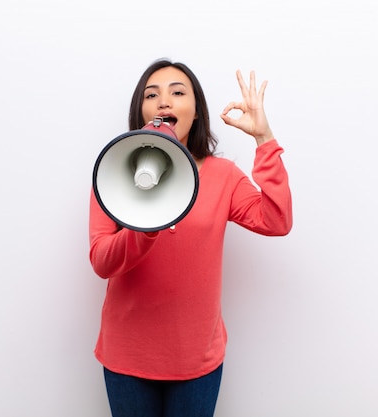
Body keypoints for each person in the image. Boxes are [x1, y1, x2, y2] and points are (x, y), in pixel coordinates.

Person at [88, 58, 293, 417]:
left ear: (196, 111)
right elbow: (102, 262)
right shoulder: (114, 171)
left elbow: (276, 221)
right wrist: (143, 228)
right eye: (152, 95)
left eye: (177, 92)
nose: (163, 101)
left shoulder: (223, 176)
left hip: (197, 360)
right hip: (128, 358)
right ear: (141, 111)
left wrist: (265, 138)